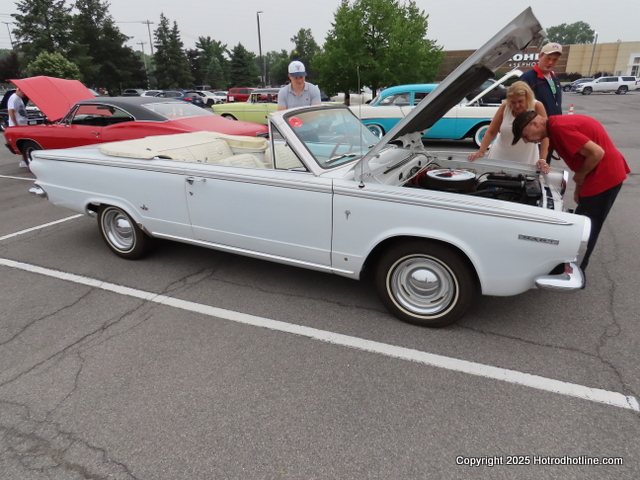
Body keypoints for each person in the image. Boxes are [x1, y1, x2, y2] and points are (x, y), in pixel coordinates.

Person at [512, 111, 630, 273]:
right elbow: (581, 159)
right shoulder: (554, 127)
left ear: (535, 124)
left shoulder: (559, 128)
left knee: (586, 228)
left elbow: (597, 153)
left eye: (525, 136)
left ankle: (575, 270)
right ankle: (568, 264)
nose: (526, 141)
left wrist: (579, 177)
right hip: (598, 175)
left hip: (604, 175)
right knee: (581, 223)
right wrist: (580, 188)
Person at [468, 81, 550, 173]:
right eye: (513, 102)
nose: (517, 106)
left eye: (520, 101)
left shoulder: (537, 106)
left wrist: (543, 159)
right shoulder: (505, 107)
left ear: (528, 97)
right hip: (499, 157)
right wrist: (481, 151)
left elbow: (545, 135)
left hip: (526, 159)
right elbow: (491, 132)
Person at [520, 42, 563, 118]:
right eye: (547, 58)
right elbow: (519, 106)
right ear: (540, 56)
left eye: (555, 59)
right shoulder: (527, 78)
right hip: (537, 123)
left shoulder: (555, 79)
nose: (550, 62)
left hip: (555, 122)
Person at [7, 87, 30, 168]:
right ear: (19, 89)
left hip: (22, 124)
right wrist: (15, 124)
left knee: (25, 142)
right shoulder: (13, 98)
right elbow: (10, 111)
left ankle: (24, 160)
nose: (24, 94)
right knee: (23, 143)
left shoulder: (19, 98)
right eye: (23, 92)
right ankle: (23, 161)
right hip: (18, 125)